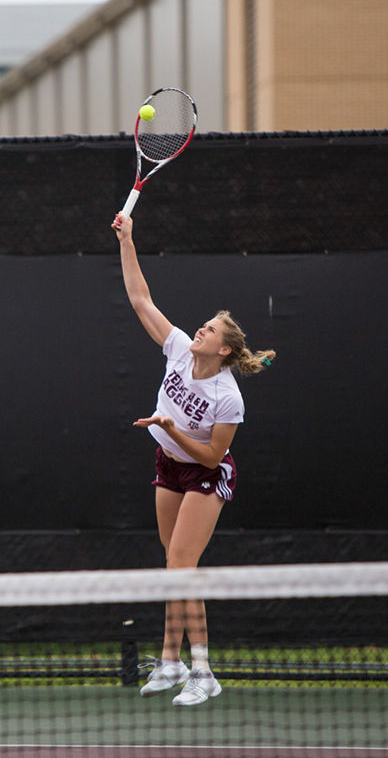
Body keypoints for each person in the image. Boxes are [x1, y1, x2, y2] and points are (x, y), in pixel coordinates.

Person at [111, 210, 275, 707]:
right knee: (172, 564)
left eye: (209, 330)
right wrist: (128, 240)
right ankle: (169, 662)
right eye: (201, 326)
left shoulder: (228, 399)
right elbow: (141, 299)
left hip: (205, 472)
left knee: (185, 564)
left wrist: (169, 427)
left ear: (224, 350)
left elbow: (209, 455)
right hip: (168, 463)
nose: (198, 330)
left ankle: (204, 672)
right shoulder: (179, 349)